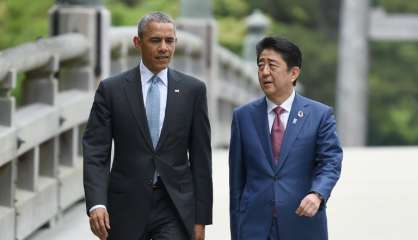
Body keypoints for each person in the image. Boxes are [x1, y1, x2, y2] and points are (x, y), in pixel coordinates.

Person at [83, 12, 212, 240]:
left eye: (169, 41)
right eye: (155, 40)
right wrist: (97, 204)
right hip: (125, 205)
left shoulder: (193, 90)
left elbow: (202, 159)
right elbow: (96, 152)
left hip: (174, 205)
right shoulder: (111, 90)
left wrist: (201, 219)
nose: (164, 48)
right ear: (137, 42)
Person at [228, 36, 343, 240]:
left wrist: (317, 194)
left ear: (293, 73)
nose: (264, 72)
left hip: (302, 223)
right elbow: (237, 182)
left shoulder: (319, 115)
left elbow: (330, 162)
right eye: (260, 65)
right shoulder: (243, 117)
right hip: (255, 227)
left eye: (272, 65)